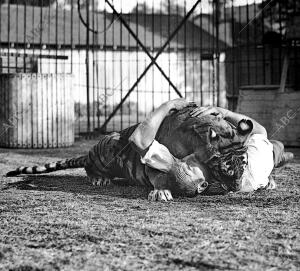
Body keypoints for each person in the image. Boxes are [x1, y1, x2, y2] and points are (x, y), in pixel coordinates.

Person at [188, 106, 294, 192]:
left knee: (274, 148)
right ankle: (279, 158)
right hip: (262, 161)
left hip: (254, 164)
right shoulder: (254, 165)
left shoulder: (225, 178)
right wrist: (225, 113)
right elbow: (260, 131)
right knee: (276, 147)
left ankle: (278, 159)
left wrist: (225, 113)